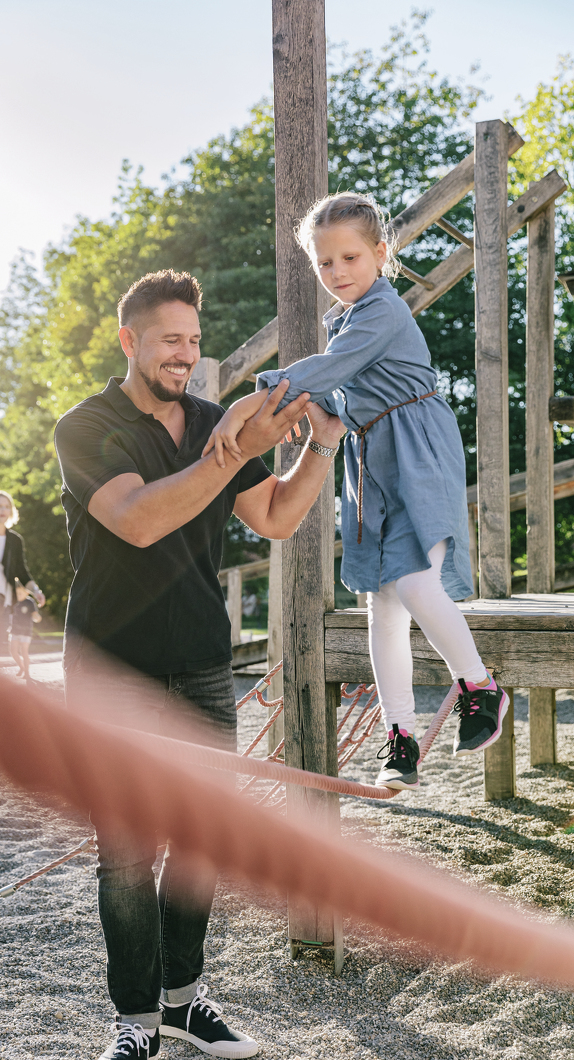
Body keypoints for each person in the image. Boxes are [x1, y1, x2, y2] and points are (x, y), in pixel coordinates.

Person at [54, 269, 345, 1060]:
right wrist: (237, 449)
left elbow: (279, 517)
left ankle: (185, 1005)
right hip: (113, 671)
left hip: (205, 669)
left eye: (193, 339)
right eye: (169, 340)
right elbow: (140, 522)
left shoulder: (216, 421)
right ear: (130, 341)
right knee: (126, 856)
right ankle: (134, 1022)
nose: (186, 355)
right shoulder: (85, 428)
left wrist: (320, 444)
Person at [203, 192, 509, 793]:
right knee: (382, 603)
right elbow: (335, 386)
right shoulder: (339, 320)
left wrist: (249, 400)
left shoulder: (382, 310)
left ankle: (479, 686)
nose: (338, 272)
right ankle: (401, 735)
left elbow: (332, 369)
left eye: (349, 257)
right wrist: (306, 405)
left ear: (380, 253)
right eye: (325, 263)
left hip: (417, 449)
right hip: (368, 457)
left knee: (418, 581)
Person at [0, 490, 45, 651]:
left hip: (5, 600)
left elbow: (22, 571)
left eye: (6, 507)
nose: (2, 510)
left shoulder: (15, 540)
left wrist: (36, 591)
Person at [9, 577, 42, 680]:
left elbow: (35, 615)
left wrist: (37, 617)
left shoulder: (30, 602)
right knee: (13, 651)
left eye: (21, 593)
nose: (19, 595)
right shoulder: (15, 602)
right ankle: (22, 667)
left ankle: (27, 673)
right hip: (15, 630)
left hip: (26, 631)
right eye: (17, 593)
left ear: (27, 593)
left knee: (24, 651)